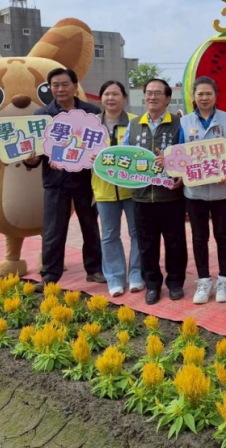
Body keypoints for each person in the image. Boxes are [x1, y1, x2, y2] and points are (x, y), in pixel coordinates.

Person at [24, 68, 103, 291]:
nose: (60, 89)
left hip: (86, 180)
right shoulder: (42, 116)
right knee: (53, 230)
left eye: (65, 84)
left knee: (90, 226)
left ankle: (95, 269)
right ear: (50, 88)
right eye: (55, 85)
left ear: (75, 86)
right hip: (55, 182)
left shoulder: (92, 112)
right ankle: (50, 274)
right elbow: (35, 155)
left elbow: (98, 145)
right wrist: (30, 160)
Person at [122, 78, 187, 305]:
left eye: (158, 93)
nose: (152, 96)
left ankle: (176, 283)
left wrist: (175, 169)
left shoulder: (179, 124)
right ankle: (152, 285)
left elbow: (187, 156)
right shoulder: (134, 124)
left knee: (175, 242)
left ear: (168, 98)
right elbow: (123, 155)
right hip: (141, 196)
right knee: (146, 244)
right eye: (148, 92)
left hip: (171, 195)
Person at [179, 77, 226, 305]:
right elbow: (180, 155)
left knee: (223, 236)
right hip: (194, 193)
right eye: (200, 94)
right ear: (194, 97)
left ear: (216, 96)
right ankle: (204, 280)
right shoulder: (184, 122)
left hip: (222, 191)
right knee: (199, 237)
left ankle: (224, 278)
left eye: (208, 94)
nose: (204, 98)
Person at [91, 80, 141, 298]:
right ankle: (115, 278)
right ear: (101, 98)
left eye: (115, 94)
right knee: (109, 235)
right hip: (103, 190)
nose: (110, 98)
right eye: (106, 94)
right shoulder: (90, 124)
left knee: (137, 233)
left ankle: (137, 275)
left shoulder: (136, 123)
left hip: (132, 190)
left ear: (124, 98)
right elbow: (77, 153)